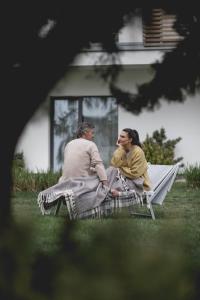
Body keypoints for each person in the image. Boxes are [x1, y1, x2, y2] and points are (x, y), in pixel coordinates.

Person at [58, 122, 108, 186]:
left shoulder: (69, 144)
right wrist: (106, 185)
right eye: (92, 133)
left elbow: (77, 166)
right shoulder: (91, 144)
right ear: (85, 132)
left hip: (64, 182)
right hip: (82, 183)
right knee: (107, 172)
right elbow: (98, 165)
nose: (93, 136)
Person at [110, 128, 151, 197]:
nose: (119, 139)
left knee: (111, 178)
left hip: (138, 183)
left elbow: (134, 174)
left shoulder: (138, 152)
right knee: (110, 171)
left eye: (122, 137)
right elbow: (114, 165)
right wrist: (121, 149)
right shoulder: (121, 149)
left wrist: (120, 169)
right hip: (123, 179)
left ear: (130, 140)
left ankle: (111, 191)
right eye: (120, 136)